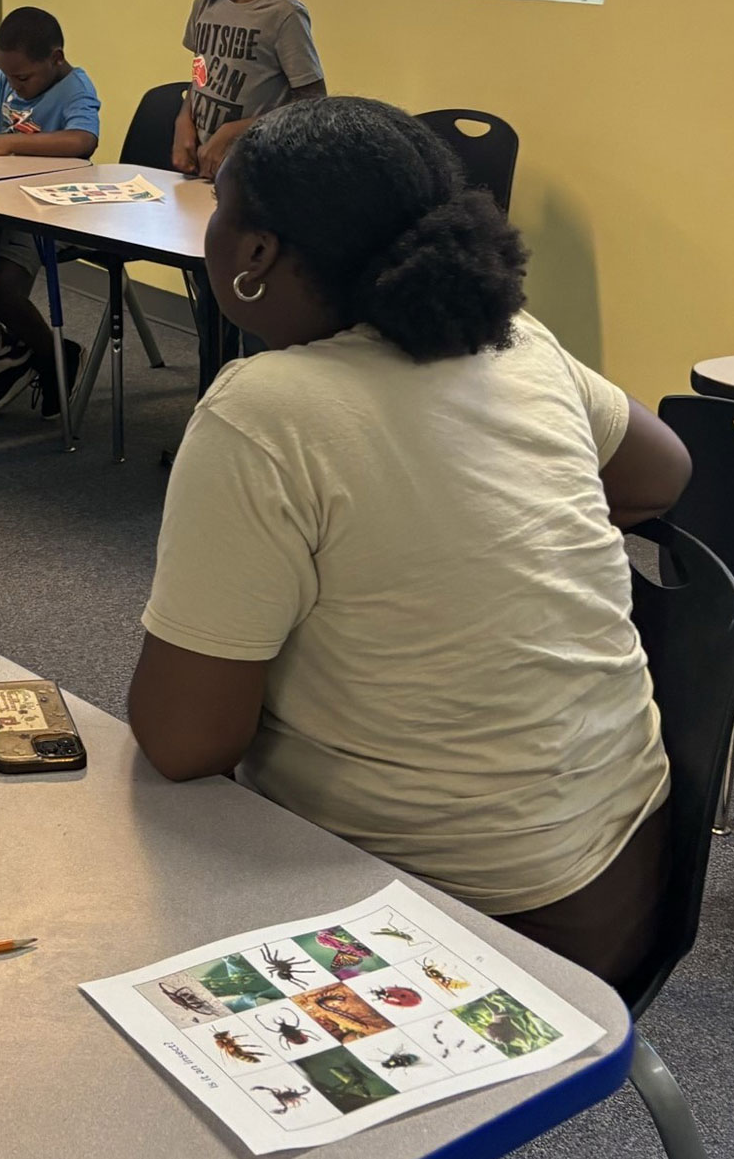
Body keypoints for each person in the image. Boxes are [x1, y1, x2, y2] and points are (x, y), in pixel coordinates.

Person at [126, 97, 693, 989]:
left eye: (218, 211)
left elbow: (183, 740)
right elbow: (662, 474)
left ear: (257, 255)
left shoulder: (263, 410)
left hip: (449, 926)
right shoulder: (517, 342)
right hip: (626, 876)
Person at [0, 6, 96, 417]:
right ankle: (2, 349)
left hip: (47, 209)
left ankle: (51, 357)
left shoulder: (76, 88)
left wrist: (11, 143)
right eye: (8, 77)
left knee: (0, 289)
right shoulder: (9, 76)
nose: (14, 85)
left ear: (56, 59)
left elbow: (82, 140)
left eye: (23, 78)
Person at [171, 0, 325, 182]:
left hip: (260, 173)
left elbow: (312, 104)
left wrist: (235, 131)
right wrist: (184, 118)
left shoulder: (283, 15)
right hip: (208, 170)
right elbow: (201, 75)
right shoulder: (204, 4)